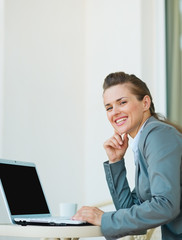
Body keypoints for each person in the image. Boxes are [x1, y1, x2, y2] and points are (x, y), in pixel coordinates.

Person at [72, 72, 182, 240]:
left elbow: (165, 205)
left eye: (122, 102)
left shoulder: (158, 135)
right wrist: (115, 161)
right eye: (109, 107)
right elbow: (128, 209)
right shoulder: (145, 140)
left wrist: (103, 218)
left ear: (145, 103)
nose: (114, 112)